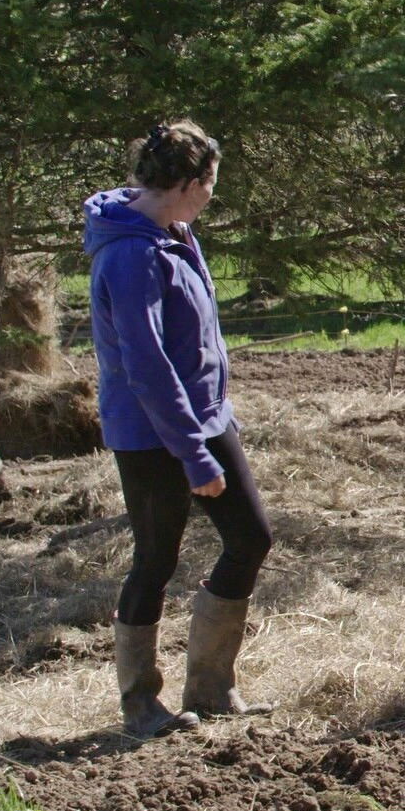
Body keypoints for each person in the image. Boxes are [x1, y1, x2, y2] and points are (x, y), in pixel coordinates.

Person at [83, 120, 273, 738]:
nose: (214, 195)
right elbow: (146, 365)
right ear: (190, 182)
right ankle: (140, 705)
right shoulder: (131, 254)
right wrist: (194, 455)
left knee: (251, 538)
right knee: (155, 558)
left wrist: (214, 420)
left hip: (205, 417)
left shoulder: (176, 233)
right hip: (149, 432)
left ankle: (212, 690)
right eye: (211, 182)